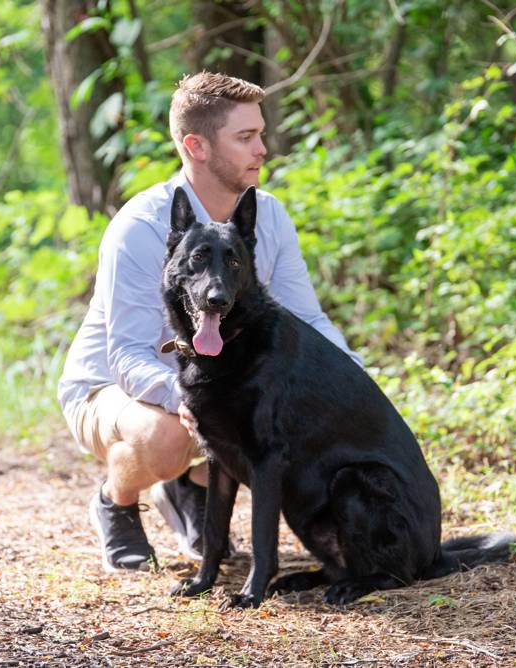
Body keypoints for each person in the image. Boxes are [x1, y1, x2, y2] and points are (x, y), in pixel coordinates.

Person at [57, 71, 363, 573]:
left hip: (210, 378)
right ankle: (117, 500)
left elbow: (305, 318)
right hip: (108, 387)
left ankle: (189, 490)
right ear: (196, 146)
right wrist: (188, 401)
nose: (262, 148)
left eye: (260, 134)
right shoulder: (142, 227)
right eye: (246, 138)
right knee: (171, 437)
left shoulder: (268, 216)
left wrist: (355, 377)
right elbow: (127, 354)